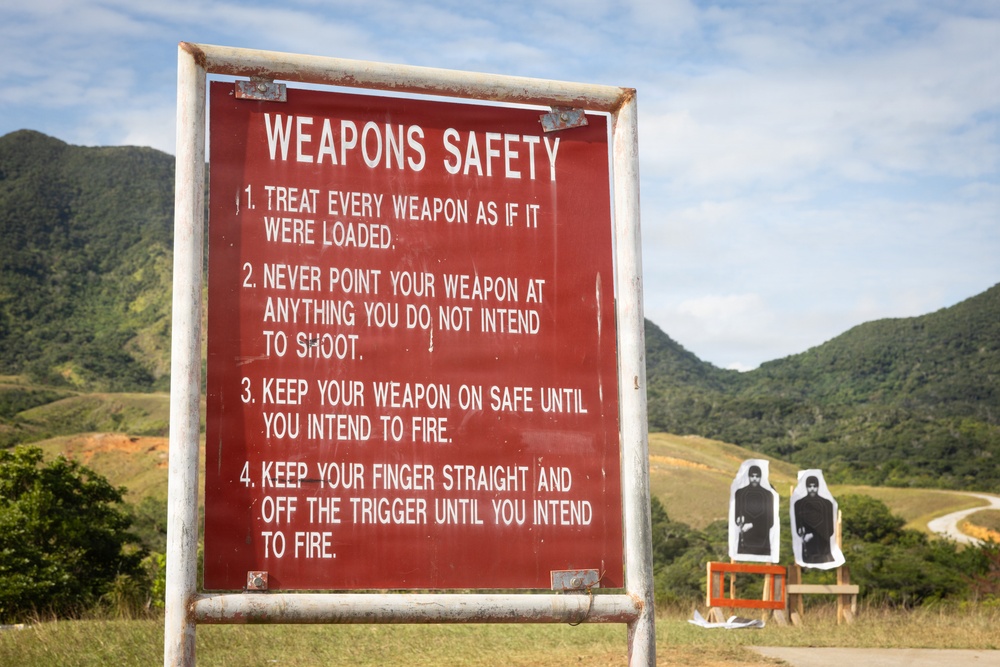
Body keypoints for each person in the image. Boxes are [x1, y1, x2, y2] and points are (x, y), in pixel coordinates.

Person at [733, 465, 774, 557]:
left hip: (762, 542)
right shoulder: (741, 493)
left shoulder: (767, 495)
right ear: (749, 477)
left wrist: (752, 525)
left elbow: (770, 521)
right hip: (745, 542)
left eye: (757, 476)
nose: (754, 479)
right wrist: (739, 518)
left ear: (760, 477)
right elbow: (736, 515)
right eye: (752, 476)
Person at [793, 475, 836, 564]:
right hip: (807, 552)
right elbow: (797, 527)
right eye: (810, 486)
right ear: (806, 487)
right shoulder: (799, 504)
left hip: (823, 550)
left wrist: (813, 535)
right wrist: (801, 531)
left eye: (814, 486)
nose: (812, 489)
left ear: (818, 487)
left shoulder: (827, 504)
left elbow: (830, 530)